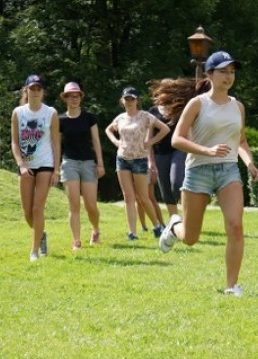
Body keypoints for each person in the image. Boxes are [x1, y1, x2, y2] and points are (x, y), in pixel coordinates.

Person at [158, 51, 258, 296]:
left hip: (228, 171)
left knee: (236, 226)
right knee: (191, 238)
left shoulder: (238, 107)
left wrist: (249, 162)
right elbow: (176, 139)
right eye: (223, 71)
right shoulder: (198, 104)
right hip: (198, 171)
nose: (229, 76)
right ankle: (174, 227)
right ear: (210, 74)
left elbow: (241, 141)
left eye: (232, 72)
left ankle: (231, 286)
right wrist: (207, 150)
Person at [105, 86, 170, 241]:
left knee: (143, 197)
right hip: (122, 160)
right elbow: (108, 130)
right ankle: (132, 233)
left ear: (137, 100)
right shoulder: (120, 118)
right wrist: (115, 141)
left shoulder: (145, 116)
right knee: (128, 197)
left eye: (132, 99)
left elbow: (165, 129)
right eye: (126, 99)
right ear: (122, 101)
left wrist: (150, 142)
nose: (129, 101)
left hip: (140, 160)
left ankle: (156, 226)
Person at [11, 74, 61, 262]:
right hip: (26, 166)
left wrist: (56, 170)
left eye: (39, 89)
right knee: (27, 213)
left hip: (45, 164)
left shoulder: (51, 113)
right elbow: (14, 143)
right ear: (26, 90)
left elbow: (56, 143)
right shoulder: (18, 113)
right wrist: (21, 164)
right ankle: (41, 234)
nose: (35, 92)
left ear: (43, 92)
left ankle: (34, 251)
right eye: (32, 88)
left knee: (37, 208)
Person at [58, 81, 105, 250]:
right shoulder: (60, 120)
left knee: (91, 205)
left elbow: (96, 141)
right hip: (69, 163)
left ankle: (96, 230)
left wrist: (100, 164)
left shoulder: (89, 117)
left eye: (76, 96)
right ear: (65, 99)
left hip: (88, 163)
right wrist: (56, 168)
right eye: (70, 96)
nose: (74, 99)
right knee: (74, 205)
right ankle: (76, 241)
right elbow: (57, 145)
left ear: (80, 98)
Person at [147, 78, 188, 220]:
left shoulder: (180, 108)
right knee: (165, 189)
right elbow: (148, 138)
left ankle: (188, 216)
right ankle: (174, 221)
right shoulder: (152, 111)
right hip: (160, 153)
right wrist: (151, 161)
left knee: (176, 183)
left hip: (178, 150)